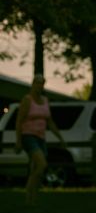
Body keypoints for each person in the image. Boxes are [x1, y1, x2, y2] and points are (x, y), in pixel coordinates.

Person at [15, 73, 66, 205]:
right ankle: (29, 193)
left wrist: (60, 137)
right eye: (37, 83)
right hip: (28, 136)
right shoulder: (27, 100)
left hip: (40, 137)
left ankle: (32, 198)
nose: (39, 86)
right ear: (33, 84)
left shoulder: (45, 100)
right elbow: (19, 121)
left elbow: (50, 122)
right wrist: (18, 141)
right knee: (42, 164)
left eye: (42, 84)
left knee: (36, 168)